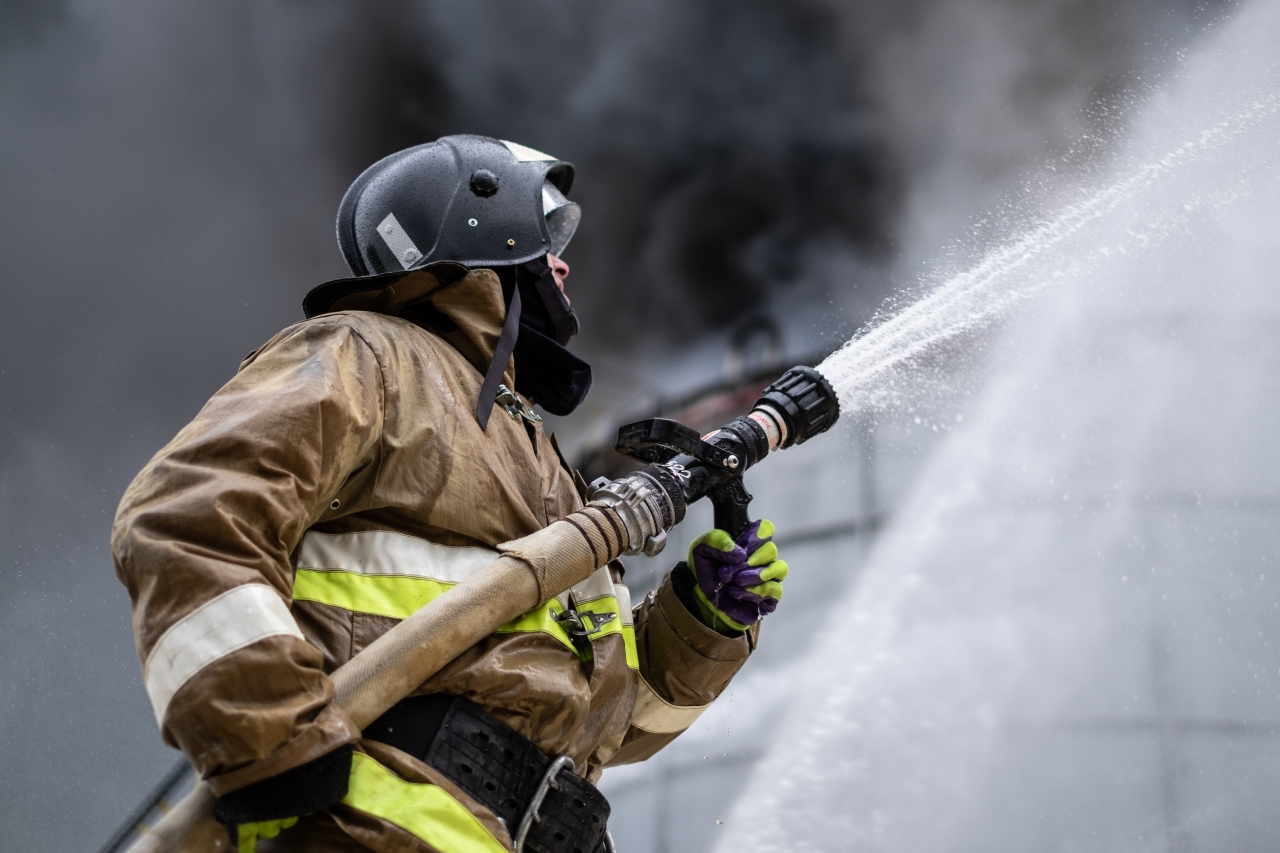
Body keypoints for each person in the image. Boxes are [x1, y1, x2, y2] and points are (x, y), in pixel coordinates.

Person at [111, 135, 790, 853]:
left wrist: (701, 626)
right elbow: (187, 517)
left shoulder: (540, 457)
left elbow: (608, 727)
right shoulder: (367, 354)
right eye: (545, 230)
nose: (563, 261)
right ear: (479, 226)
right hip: (370, 832)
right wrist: (267, 738)